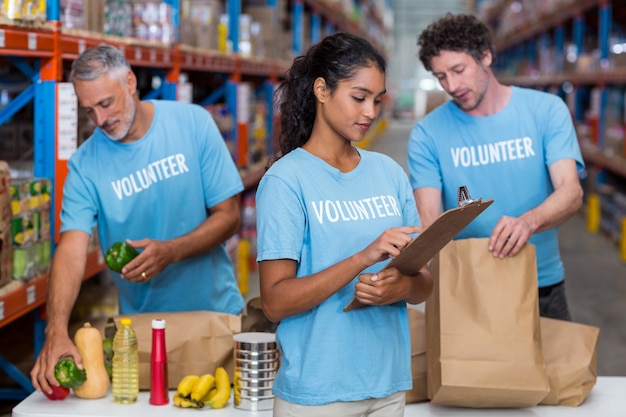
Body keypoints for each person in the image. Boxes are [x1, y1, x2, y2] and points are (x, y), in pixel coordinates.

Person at [31, 44, 245, 395]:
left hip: (216, 318)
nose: (100, 120)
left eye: (106, 103)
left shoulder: (192, 123)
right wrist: (56, 330)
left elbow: (229, 216)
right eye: (89, 111)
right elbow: (70, 248)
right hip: (143, 332)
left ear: (130, 81)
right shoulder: (85, 165)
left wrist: (171, 251)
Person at [256, 32, 433, 417]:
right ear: (322, 90)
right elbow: (273, 302)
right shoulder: (287, 181)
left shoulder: (389, 173)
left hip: (387, 387)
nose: (370, 111)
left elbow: (424, 284)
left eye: (377, 100)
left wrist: (400, 287)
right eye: (359, 97)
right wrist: (363, 257)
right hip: (318, 396)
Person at [408, 13, 584, 321]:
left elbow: (571, 192)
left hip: (540, 280)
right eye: (441, 77)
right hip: (469, 285)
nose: (452, 85)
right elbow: (429, 220)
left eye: (458, 70)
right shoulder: (428, 134)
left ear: (486, 56)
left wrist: (528, 222)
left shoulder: (545, 111)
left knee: (555, 369)